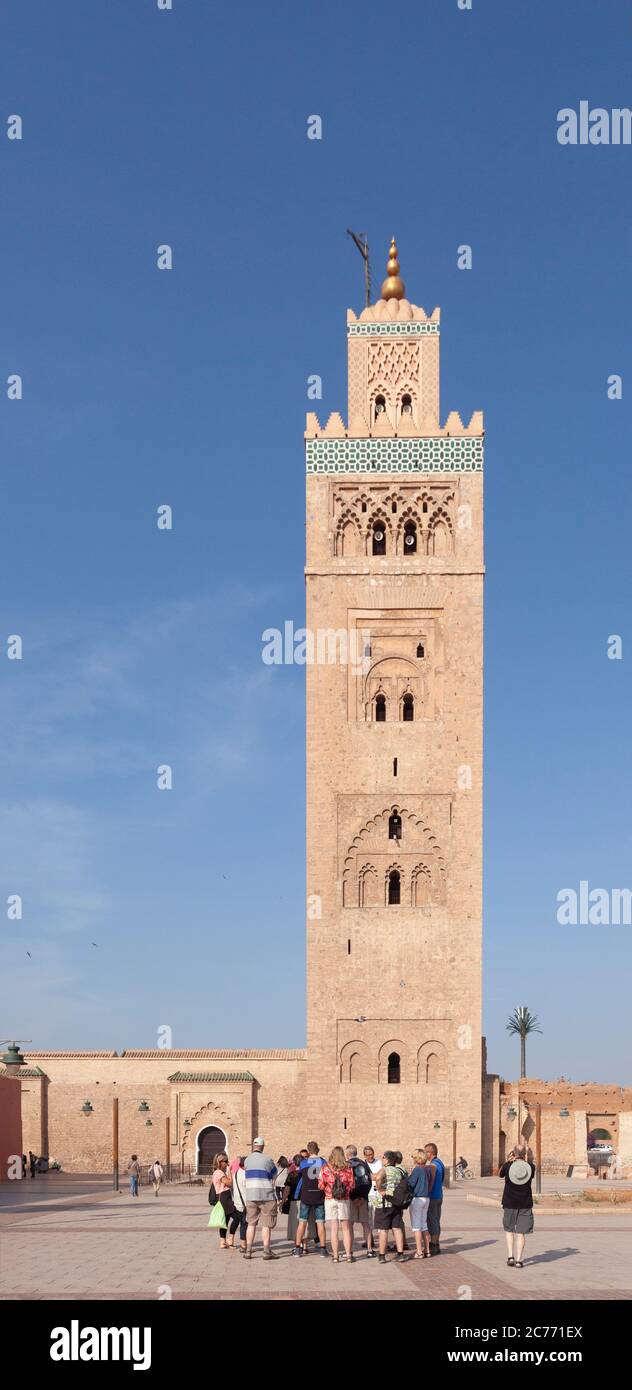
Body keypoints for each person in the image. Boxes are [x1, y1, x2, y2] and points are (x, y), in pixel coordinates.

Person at [499, 1145, 535, 1269]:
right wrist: (529, 1156)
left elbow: (499, 1174)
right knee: (521, 1233)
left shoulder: (508, 1166)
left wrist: (507, 1159)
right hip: (525, 1203)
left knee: (509, 1230)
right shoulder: (530, 1167)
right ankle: (519, 1260)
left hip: (509, 1202)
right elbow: (531, 1163)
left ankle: (510, 1257)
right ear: (524, 1154)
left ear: (513, 1153)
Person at [371, 1151, 410, 1264]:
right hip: (396, 1203)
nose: (382, 1159)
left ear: (387, 1159)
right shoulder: (398, 1171)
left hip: (384, 1203)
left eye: (383, 1157)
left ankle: (382, 1255)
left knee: (383, 1230)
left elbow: (378, 1177)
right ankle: (400, 1253)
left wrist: (380, 1189)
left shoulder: (385, 1169)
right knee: (397, 1228)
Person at [243, 1137, 279, 1260]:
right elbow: (274, 1174)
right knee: (266, 1224)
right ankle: (266, 1251)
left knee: (251, 1223)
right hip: (266, 1195)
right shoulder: (267, 1160)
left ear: (253, 1146)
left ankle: (248, 1251)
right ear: (263, 1147)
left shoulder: (247, 1160)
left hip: (251, 1195)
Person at [318, 1145, 355, 1262]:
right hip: (344, 1199)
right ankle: (349, 1255)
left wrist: (329, 1188)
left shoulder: (325, 1168)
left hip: (330, 1199)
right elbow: (352, 1185)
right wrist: (345, 1190)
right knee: (346, 1229)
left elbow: (320, 1185)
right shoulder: (348, 1168)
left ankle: (335, 1256)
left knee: (334, 1229)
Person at [294, 1141, 328, 1258]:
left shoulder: (303, 1163)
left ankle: (298, 1248)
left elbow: (300, 1178)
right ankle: (323, 1249)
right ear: (318, 1149)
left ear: (308, 1151)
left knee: (302, 1222)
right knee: (320, 1223)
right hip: (319, 1195)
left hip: (306, 1195)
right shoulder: (324, 1162)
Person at [345, 1144, 374, 1256]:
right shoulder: (364, 1164)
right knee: (365, 1224)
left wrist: (353, 1198)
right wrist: (363, 1197)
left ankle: (350, 1250)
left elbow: (347, 1183)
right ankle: (369, 1249)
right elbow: (370, 1181)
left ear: (348, 1154)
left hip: (351, 1199)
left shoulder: (347, 1165)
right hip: (363, 1198)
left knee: (349, 1225)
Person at [407, 1150, 435, 1258]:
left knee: (416, 1226)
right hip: (426, 1198)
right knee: (424, 1225)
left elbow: (411, 1183)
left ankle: (419, 1251)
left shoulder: (417, 1169)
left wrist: (408, 1177)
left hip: (417, 1198)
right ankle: (427, 1250)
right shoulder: (428, 1169)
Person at [210, 1152, 235, 1248]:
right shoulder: (219, 1172)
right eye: (226, 1161)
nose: (227, 1163)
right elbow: (229, 1183)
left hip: (223, 1197)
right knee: (237, 1217)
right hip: (224, 1197)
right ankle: (230, 1238)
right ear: (220, 1162)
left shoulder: (219, 1172)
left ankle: (222, 1241)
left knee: (225, 1220)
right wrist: (230, 1171)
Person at [425, 1141, 445, 1255]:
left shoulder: (433, 1165)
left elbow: (431, 1181)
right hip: (439, 1195)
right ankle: (436, 1244)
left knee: (432, 1221)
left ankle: (433, 1245)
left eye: (425, 1152)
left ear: (429, 1153)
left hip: (433, 1196)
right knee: (436, 1220)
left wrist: (427, 1190)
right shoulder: (440, 1163)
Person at [229, 1156, 248, 1252]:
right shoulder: (246, 1175)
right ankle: (243, 1245)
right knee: (244, 1224)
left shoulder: (235, 1174)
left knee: (239, 1221)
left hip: (237, 1202)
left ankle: (231, 1239)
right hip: (245, 1203)